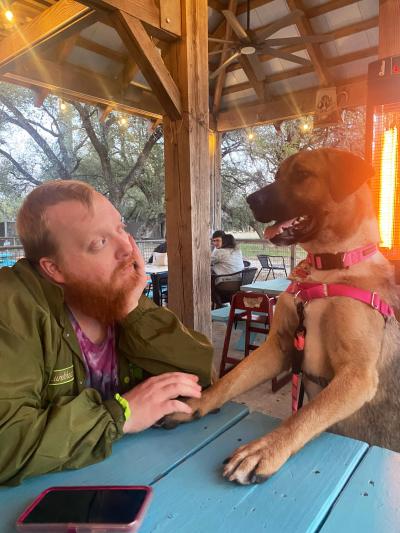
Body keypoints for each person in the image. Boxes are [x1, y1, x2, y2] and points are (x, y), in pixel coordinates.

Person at [0, 180, 213, 485]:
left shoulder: (115, 294)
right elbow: (7, 443)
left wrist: (133, 311)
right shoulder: (13, 306)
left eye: (120, 228)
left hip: (147, 476)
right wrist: (120, 414)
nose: (127, 247)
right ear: (53, 269)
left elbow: (201, 376)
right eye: (99, 243)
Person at [211, 233, 244, 308]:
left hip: (227, 283)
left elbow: (207, 262)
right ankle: (224, 305)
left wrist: (216, 249)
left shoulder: (220, 252)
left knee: (207, 285)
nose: (215, 243)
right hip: (241, 281)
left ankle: (220, 305)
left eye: (219, 241)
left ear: (224, 241)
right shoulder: (238, 250)